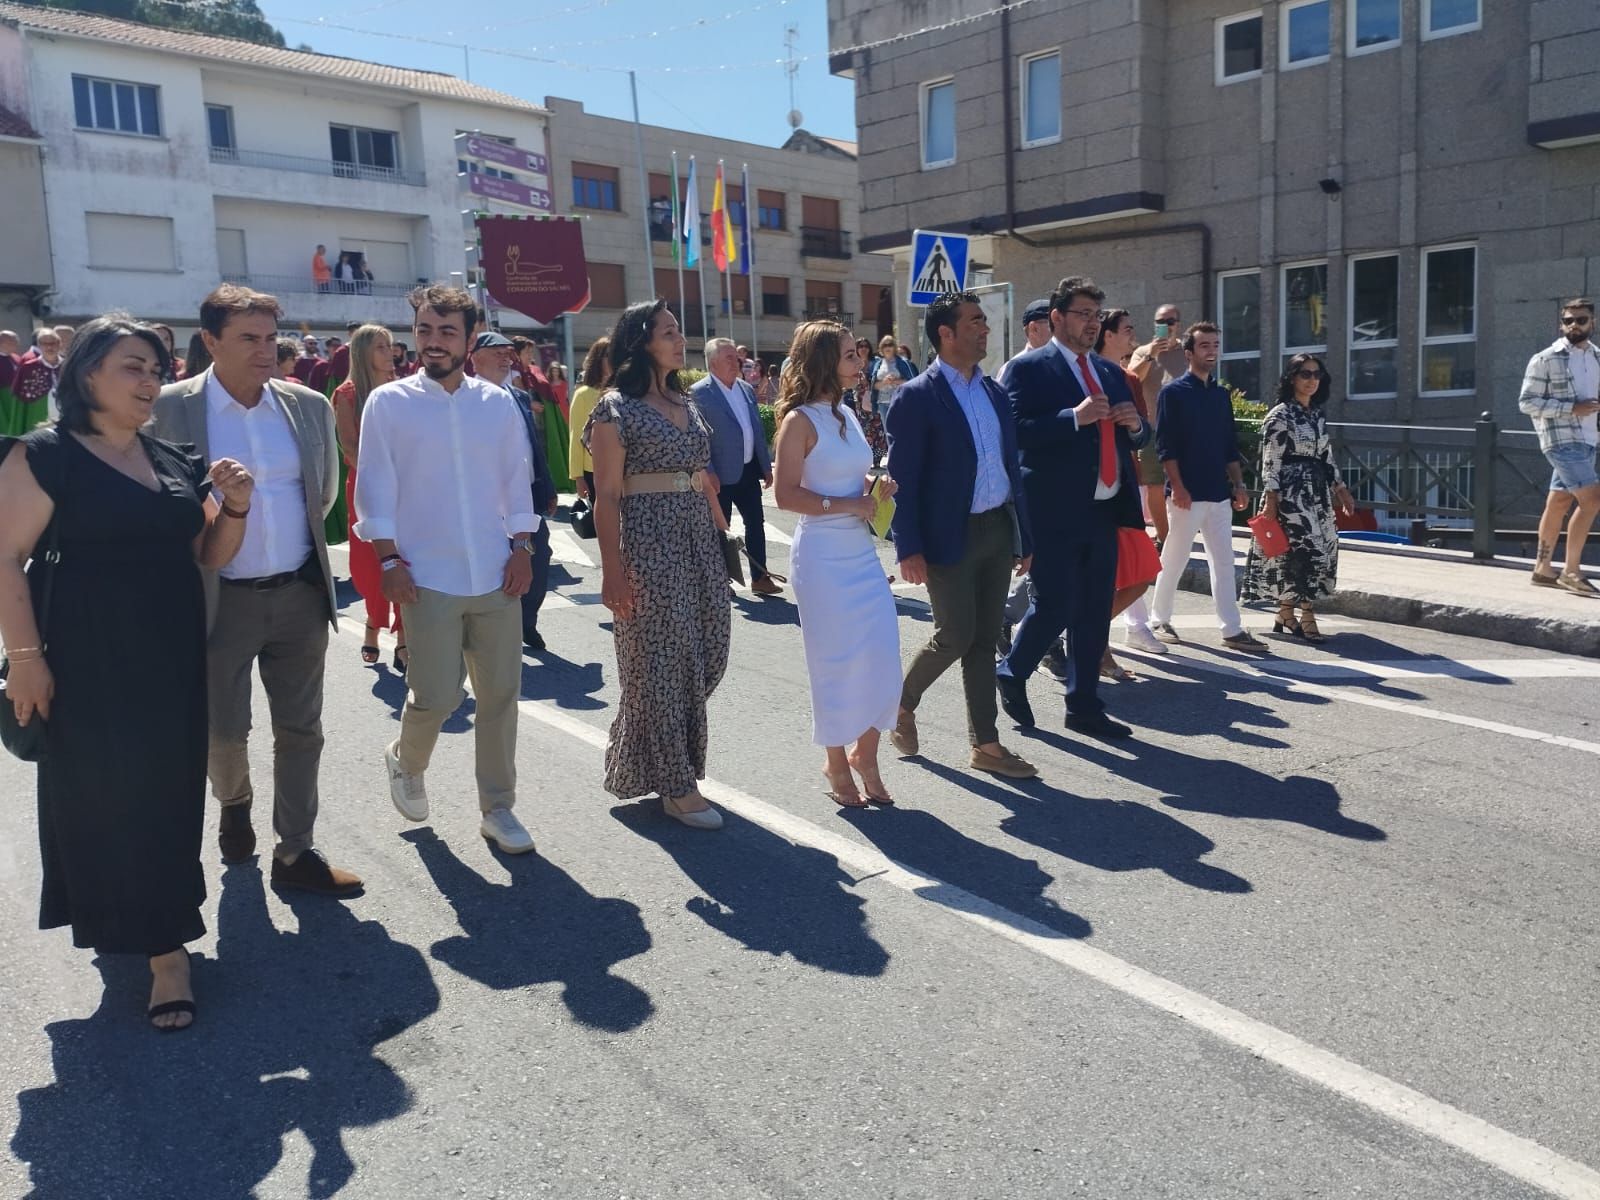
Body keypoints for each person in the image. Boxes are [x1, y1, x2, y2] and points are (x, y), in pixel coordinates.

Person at [0, 314, 256, 1031]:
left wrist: (234, 506)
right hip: (85, 659)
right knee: (101, 798)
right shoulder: (45, 456)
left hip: (171, 655)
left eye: (155, 369)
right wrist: (26, 662)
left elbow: (209, 553)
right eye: (131, 368)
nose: (149, 382)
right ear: (87, 376)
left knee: (168, 795)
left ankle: (157, 927)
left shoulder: (171, 457)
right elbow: (3, 560)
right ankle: (161, 949)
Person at [151, 285, 361, 896]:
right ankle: (234, 801)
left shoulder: (306, 406)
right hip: (217, 598)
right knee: (222, 729)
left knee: (303, 730)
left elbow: (321, 495)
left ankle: (295, 852)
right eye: (249, 338)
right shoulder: (170, 410)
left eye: (271, 338)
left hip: (298, 591)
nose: (265, 350)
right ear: (211, 341)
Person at [356, 285, 539, 855]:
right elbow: (375, 487)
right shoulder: (388, 403)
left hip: (494, 571)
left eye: (446, 332)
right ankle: (407, 761)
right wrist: (388, 559)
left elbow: (516, 478)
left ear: (468, 337)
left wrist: (522, 546)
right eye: (425, 331)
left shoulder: (496, 403)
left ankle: (498, 807)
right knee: (435, 696)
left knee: (500, 696)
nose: (433, 343)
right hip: (424, 574)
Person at [584, 299, 732, 829]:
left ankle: (639, 739)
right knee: (662, 662)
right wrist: (612, 569)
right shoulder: (614, 409)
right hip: (648, 541)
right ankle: (676, 784)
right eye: (669, 331)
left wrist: (721, 533)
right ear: (642, 341)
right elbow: (605, 496)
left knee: (710, 649)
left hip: (697, 537)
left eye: (679, 331)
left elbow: (701, 473)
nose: (680, 339)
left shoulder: (684, 400)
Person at [886, 291, 1036, 779]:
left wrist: (1024, 537)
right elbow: (901, 478)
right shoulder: (917, 396)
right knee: (955, 635)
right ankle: (901, 704)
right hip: (947, 535)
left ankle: (986, 745)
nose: (985, 329)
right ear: (945, 333)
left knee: (984, 638)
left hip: (996, 528)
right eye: (974, 322)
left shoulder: (993, 392)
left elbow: (1011, 468)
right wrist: (907, 546)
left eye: (984, 321)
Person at [995, 278, 1150, 741]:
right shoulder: (1028, 369)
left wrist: (1137, 425)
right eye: (1083, 314)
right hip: (1054, 510)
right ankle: (1012, 669)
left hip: (1104, 509)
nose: (1091, 324)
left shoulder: (1107, 372)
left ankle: (1083, 705)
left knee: (1093, 609)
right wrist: (1073, 417)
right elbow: (1016, 433)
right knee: (1054, 605)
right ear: (1057, 318)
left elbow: (1141, 437)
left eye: (1096, 316)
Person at [773, 321, 901, 807]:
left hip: (860, 553)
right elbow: (786, 494)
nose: (859, 362)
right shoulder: (799, 421)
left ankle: (864, 754)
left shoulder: (845, 413)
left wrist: (874, 487)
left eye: (858, 354)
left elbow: (847, 476)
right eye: (849, 355)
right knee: (834, 664)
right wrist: (850, 506)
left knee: (882, 658)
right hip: (822, 557)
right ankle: (834, 759)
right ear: (825, 361)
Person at [1147, 322, 1271, 652]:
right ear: (1189, 353)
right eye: (1204, 345)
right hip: (1186, 495)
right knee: (1174, 558)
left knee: (1225, 563)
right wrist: (1178, 486)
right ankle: (1159, 619)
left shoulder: (1220, 395)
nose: (1212, 350)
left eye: (1215, 344)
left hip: (1218, 493)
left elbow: (1228, 445)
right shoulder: (1172, 394)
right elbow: (1165, 446)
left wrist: (1239, 484)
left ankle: (1231, 629)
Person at [1240, 355, 1356, 640]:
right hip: (1290, 494)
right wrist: (1271, 499)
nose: (1312, 380)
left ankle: (1285, 612)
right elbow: (1271, 460)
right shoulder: (1279, 416)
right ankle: (1307, 616)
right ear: (1292, 377)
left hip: (1316, 492)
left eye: (1317, 374)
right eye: (1305, 374)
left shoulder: (1316, 413)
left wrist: (1340, 488)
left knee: (1320, 547)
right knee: (1308, 550)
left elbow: (1325, 453)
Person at [469, 331, 557, 653]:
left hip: (528, 493)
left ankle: (525, 623)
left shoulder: (519, 397)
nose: (507, 357)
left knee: (540, 556)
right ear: (475, 357)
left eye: (509, 352)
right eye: (497, 352)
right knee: (497, 564)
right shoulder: (468, 398)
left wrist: (546, 487)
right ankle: (494, 632)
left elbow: (533, 449)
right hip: (490, 499)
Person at [1094, 307, 1164, 681]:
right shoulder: (1078, 375)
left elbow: (1143, 435)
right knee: (1098, 577)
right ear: (1108, 335)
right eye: (1127, 329)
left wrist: (1135, 423)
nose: (1133, 334)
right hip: (1087, 494)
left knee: (1142, 571)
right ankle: (1097, 650)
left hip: (1125, 486)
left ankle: (1085, 632)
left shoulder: (1127, 379)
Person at [332, 323, 403, 667]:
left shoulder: (401, 390)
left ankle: (404, 634)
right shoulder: (346, 394)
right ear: (362, 352)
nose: (389, 353)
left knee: (407, 557)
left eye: (390, 346)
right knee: (370, 563)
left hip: (406, 487)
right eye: (380, 347)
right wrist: (380, 475)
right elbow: (348, 446)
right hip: (366, 487)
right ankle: (373, 624)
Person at [1519, 297, 1600, 596]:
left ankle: (1542, 569)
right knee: (1593, 501)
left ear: (1593, 322)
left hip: (1589, 440)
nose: (1574, 325)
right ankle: (1571, 571)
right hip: (1561, 440)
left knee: (1560, 502)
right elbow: (1527, 402)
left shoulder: (1597, 358)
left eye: (1581, 320)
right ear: (1561, 324)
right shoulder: (1545, 358)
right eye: (1568, 320)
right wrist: (1571, 409)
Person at [692, 337, 781, 595]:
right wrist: (707, 471)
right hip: (719, 474)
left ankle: (760, 578)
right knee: (721, 529)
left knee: (756, 524)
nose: (737, 361)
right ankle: (721, 580)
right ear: (713, 363)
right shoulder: (699, 393)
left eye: (737, 357)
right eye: (729, 357)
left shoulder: (744, 389)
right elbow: (699, 437)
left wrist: (766, 466)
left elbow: (755, 429)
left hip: (748, 470)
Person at [1127, 302, 1186, 550]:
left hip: (1184, 432)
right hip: (1152, 429)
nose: (1165, 327)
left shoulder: (1187, 352)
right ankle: (1165, 538)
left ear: (1178, 325)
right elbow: (1130, 379)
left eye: (1170, 322)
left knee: (1185, 484)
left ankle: (1182, 535)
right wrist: (1151, 354)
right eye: (1160, 323)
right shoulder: (1143, 351)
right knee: (1154, 485)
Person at [567, 336, 612, 502]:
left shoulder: (623, 393)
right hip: (592, 470)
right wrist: (578, 477)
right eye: (609, 355)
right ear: (598, 360)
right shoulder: (583, 394)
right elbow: (576, 436)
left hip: (620, 469)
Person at [995, 297, 1053, 386]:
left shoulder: (1064, 362)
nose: (1061, 330)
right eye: (1052, 324)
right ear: (1034, 328)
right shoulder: (1014, 369)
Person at [871, 334, 914, 420]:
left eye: (890, 344)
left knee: (899, 430)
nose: (887, 347)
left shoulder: (903, 362)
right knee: (887, 432)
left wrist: (895, 381)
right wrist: (884, 382)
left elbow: (911, 382)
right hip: (882, 403)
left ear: (894, 347)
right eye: (885, 345)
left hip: (899, 401)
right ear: (881, 348)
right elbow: (874, 386)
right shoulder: (878, 364)